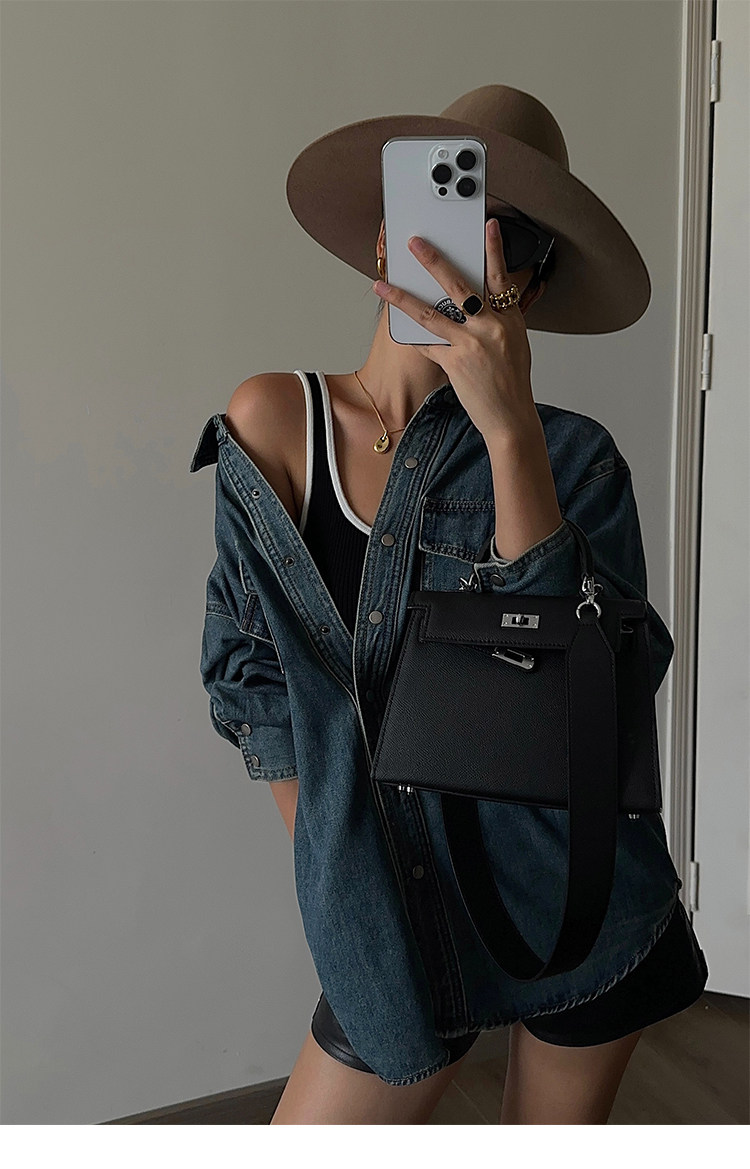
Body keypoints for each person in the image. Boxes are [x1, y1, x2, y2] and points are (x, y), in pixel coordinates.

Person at [190, 85, 707, 1124]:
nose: (487, 262)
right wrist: (354, 888)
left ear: (534, 283)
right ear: (392, 237)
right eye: (463, 221)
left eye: (520, 245)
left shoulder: (572, 458)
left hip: (575, 901)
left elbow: (586, 698)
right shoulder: (276, 420)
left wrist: (509, 433)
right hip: (398, 925)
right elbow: (252, 681)